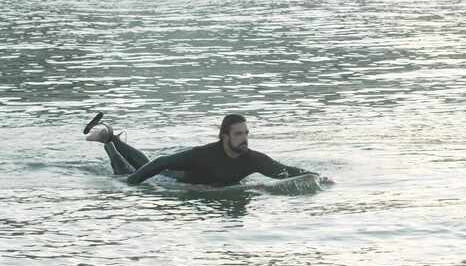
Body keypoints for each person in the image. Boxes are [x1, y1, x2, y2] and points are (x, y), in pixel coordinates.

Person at [84, 113, 323, 187]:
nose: (244, 139)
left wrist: (319, 178)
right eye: (238, 134)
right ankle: (108, 141)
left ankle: (111, 137)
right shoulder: (204, 154)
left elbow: (284, 171)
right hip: (171, 179)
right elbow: (161, 162)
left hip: (184, 178)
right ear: (225, 136)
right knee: (130, 171)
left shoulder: (253, 159)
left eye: (246, 133)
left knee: (144, 162)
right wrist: (131, 184)